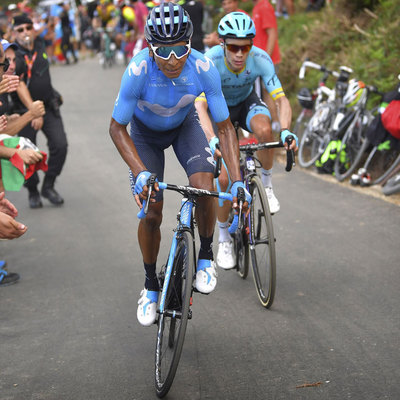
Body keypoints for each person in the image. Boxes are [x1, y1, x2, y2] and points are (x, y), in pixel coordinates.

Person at [109, 3, 250, 326]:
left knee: (205, 187)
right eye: (163, 51)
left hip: (185, 127)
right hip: (144, 135)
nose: (172, 59)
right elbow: (117, 128)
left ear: (190, 43)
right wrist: (140, 171)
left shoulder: (202, 67)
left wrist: (238, 178)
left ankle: (205, 256)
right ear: (149, 46)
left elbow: (225, 127)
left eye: (179, 49)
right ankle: (149, 286)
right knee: (152, 211)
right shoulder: (137, 71)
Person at [195, 12, 297, 269]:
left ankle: (267, 184)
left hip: (246, 103)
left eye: (246, 46)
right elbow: (199, 107)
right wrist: (211, 139)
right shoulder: (210, 62)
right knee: (225, 179)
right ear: (222, 44)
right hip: (219, 113)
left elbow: (281, 99)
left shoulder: (261, 59)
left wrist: (285, 130)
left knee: (264, 131)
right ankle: (223, 238)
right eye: (233, 47)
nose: (240, 53)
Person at [12, 14, 68, 209]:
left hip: (49, 105)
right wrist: (33, 112)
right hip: (25, 111)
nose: (25, 33)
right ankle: (33, 191)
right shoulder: (15, 55)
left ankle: (49, 185)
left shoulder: (40, 44)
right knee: (29, 152)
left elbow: (50, 33)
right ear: (14, 33)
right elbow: (18, 83)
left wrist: (52, 22)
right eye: (20, 30)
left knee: (60, 145)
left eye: (28, 28)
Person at [0, 39, 45, 136]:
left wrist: (7, 118)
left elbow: (20, 84)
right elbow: (4, 132)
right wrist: (31, 114)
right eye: (6, 61)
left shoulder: (6, 82)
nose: (12, 66)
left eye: (14, 60)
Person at [252, 0, 281, 132]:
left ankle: (278, 125)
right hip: (259, 61)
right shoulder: (257, 7)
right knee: (265, 92)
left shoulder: (265, 6)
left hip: (269, 60)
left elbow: (272, 33)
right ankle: (274, 124)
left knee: (272, 91)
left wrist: (266, 58)